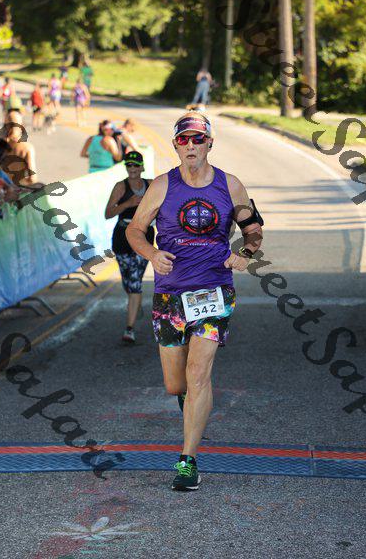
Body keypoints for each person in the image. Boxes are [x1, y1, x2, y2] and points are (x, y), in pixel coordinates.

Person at [127, 111, 263, 491]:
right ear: (175, 145)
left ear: (209, 144)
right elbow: (135, 230)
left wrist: (245, 252)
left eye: (198, 139)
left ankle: (188, 460)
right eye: (183, 139)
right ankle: (192, 406)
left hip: (213, 291)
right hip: (170, 295)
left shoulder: (230, 185)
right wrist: (152, 253)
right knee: (177, 385)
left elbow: (253, 230)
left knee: (198, 372)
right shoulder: (161, 186)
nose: (191, 145)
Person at [105, 151, 154, 343]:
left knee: (134, 282)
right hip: (122, 238)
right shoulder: (121, 186)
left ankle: (129, 329)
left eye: (135, 165)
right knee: (128, 281)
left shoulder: (151, 185)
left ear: (142, 167)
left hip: (144, 237)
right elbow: (108, 213)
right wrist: (128, 203)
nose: (132, 168)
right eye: (129, 165)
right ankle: (135, 301)